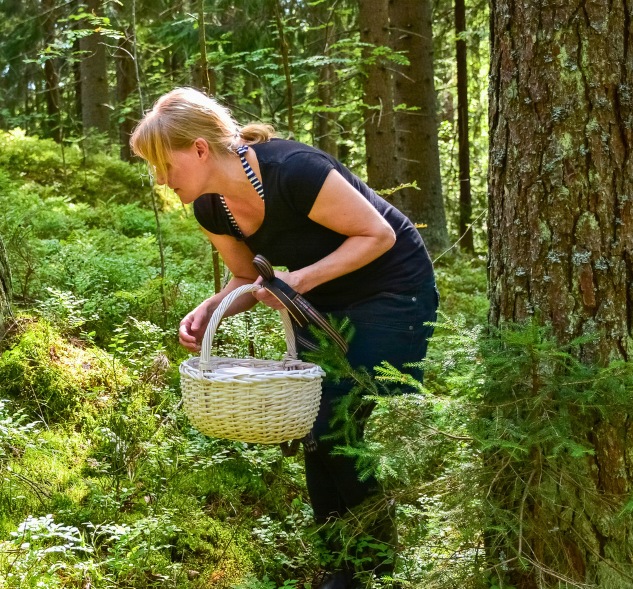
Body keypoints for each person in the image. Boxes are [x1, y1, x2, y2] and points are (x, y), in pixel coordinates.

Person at [130, 87, 437, 589]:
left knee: (336, 421)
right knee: (314, 430)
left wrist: (299, 280)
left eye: (164, 165)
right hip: (316, 302)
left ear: (200, 149)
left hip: (391, 290)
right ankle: (341, 566)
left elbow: (378, 235)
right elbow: (245, 276)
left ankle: (378, 568)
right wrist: (209, 309)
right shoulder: (211, 208)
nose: (161, 179)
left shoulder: (294, 170)